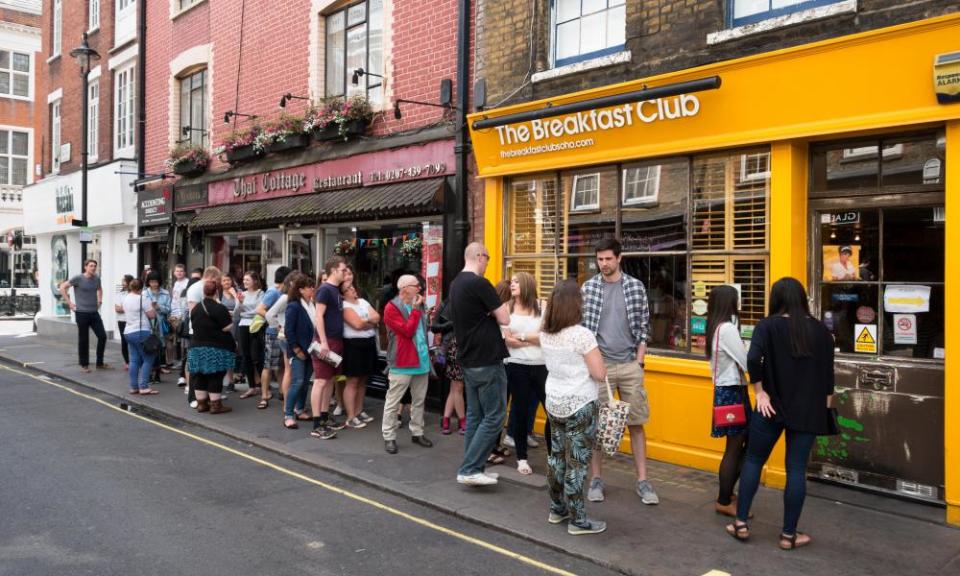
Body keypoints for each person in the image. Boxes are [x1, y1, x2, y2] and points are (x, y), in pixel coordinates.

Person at [726, 277, 835, 550]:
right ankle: (788, 535)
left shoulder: (767, 326)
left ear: (775, 299)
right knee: (796, 470)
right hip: (808, 410)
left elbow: (753, 359)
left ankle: (740, 523)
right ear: (802, 299)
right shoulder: (821, 331)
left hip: (770, 407)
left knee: (753, 460)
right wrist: (827, 408)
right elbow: (828, 377)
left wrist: (760, 392)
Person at [582, 238, 657, 505]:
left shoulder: (635, 287)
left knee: (636, 424)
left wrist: (639, 362)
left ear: (619, 258)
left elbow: (644, 328)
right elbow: (583, 331)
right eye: (599, 259)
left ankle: (643, 481)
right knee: (598, 426)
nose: (603, 264)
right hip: (600, 365)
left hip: (628, 364)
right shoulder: (588, 288)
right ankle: (597, 480)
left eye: (608, 259)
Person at [539, 280, 607, 535]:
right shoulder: (582, 335)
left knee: (556, 457)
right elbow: (599, 373)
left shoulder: (546, 333)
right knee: (577, 463)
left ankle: (557, 509)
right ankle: (578, 520)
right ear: (574, 304)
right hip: (580, 403)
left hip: (554, 401)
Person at [451, 242, 510, 486]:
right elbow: (505, 318)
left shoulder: (456, 284)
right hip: (487, 360)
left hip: (469, 360)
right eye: (488, 258)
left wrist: (488, 313)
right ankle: (470, 468)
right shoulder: (479, 283)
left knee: (475, 415)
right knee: (495, 417)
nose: (488, 263)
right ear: (479, 256)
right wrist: (496, 310)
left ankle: (474, 466)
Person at [705, 285, 752, 518]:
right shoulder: (728, 329)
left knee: (736, 446)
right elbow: (745, 361)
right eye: (736, 299)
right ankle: (724, 499)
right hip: (733, 391)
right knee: (736, 447)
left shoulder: (715, 326)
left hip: (725, 390)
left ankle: (727, 494)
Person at [381, 274, 434, 453]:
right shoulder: (391, 308)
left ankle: (417, 432)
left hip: (422, 359)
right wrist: (417, 310)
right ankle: (389, 436)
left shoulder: (418, 304)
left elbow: (422, 330)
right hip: (402, 362)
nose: (419, 288)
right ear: (404, 289)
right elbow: (407, 330)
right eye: (416, 285)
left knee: (419, 401)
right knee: (393, 401)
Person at [503, 271, 549, 475]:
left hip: (541, 365)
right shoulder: (506, 307)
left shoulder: (543, 306)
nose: (512, 284)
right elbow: (506, 340)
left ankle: (554, 455)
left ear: (527, 284)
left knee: (553, 411)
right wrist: (532, 338)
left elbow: (545, 338)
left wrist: (520, 336)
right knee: (520, 413)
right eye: (511, 281)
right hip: (516, 365)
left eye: (516, 281)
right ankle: (522, 458)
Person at [310, 257, 348, 439]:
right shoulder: (325, 289)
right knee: (320, 381)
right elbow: (319, 317)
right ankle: (317, 424)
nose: (345, 272)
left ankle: (324, 417)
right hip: (326, 342)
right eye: (343, 270)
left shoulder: (335, 290)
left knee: (330, 381)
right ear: (334, 270)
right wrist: (324, 342)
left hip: (336, 340)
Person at [189, 280, 236, 414]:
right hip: (215, 347)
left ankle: (201, 404)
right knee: (215, 375)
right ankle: (216, 406)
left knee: (199, 375)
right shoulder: (218, 307)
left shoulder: (196, 308)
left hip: (196, 346)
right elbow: (227, 327)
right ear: (217, 292)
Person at [59, 259, 111, 372]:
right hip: (82, 313)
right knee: (84, 339)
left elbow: (99, 289)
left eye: (95, 266)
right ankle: (84, 364)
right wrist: (70, 303)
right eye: (91, 266)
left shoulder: (97, 278)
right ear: (85, 267)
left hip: (94, 312)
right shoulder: (78, 278)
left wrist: (100, 301)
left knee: (102, 336)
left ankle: (100, 362)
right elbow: (62, 287)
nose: (93, 268)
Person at [341, 280, 380, 428]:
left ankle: (358, 411)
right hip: (353, 345)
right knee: (352, 381)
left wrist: (365, 322)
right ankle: (351, 416)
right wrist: (368, 322)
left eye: (352, 287)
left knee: (363, 379)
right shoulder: (345, 305)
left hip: (368, 342)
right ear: (343, 294)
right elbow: (356, 325)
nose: (353, 289)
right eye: (348, 288)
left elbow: (377, 317)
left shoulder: (362, 301)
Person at [186, 267, 223, 408]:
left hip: (211, 332)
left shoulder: (213, 289)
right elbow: (193, 313)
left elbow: (217, 305)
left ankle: (207, 396)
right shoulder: (195, 289)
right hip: (197, 333)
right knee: (196, 366)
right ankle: (192, 398)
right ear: (211, 277)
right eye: (217, 279)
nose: (218, 282)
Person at [256, 266, 292, 409]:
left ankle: (283, 393)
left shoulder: (281, 291)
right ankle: (264, 396)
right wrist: (277, 324)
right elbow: (260, 310)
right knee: (269, 365)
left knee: (282, 367)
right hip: (273, 333)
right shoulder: (273, 292)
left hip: (281, 333)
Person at [283, 274, 316, 429]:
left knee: (305, 383)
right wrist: (296, 349)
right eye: (310, 287)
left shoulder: (312, 305)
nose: (313, 289)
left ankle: (300, 409)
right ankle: (288, 415)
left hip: (311, 350)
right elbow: (289, 331)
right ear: (301, 290)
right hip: (298, 351)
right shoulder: (294, 306)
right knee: (298, 381)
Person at [430, 299, 465, 435]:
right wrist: (452, 324)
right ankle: (463, 421)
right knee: (458, 387)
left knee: (454, 387)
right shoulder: (445, 304)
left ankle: (446, 420)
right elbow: (434, 327)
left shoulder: (467, 303)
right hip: (451, 349)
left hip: (461, 348)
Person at [121, 279, 159, 395]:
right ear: (141, 288)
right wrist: (154, 307)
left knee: (134, 360)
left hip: (128, 331)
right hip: (141, 331)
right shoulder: (143, 298)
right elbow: (152, 315)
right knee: (148, 358)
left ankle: (134, 387)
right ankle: (144, 386)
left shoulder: (126, 298)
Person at [234, 271, 265, 399]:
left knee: (256, 356)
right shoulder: (242, 294)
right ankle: (252, 386)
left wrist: (245, 313)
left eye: (248, 280)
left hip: (256, 326)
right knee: (245, 356)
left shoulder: (260, 293)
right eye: (244, 280)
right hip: (243, 325)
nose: (245, 282)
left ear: (255, 281)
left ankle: (262, 385)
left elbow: (259, 311)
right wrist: (240, 303)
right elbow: (237, 312)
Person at [144, 271, 172, 383]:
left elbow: (168, 309)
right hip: (148, 324)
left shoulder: (165, 293)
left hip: (160, 325)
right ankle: (149, 374)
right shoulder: (145, 293)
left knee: (159, 350)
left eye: (155, 282)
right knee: (149, 349)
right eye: (151, 282)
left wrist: (158, 307)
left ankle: (157, 374)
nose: (154, 284)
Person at [220, 275, 240, 391]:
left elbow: (241, 307)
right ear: (221, 282)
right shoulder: (218, 293)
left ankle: (233, 379)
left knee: (234, 352)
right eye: (224, 280)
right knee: (226, 352)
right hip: (224, 326)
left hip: (237, 324)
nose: (227, 282)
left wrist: (235, 296)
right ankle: (229, 380)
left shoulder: (237, 292)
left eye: (228, 279)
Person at [168, 264, 189, 370]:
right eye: (177, 271)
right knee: (176, 338)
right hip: (174, 313)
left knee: (182, 338)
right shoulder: (175, 283)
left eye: (181, 271)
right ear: (174, 272)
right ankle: (177, 360)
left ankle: (182, 360)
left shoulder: (187, 282)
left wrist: (181, 315)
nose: (179, 273)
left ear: (184, 272)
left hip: (182, 314)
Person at [114, 274, 135, 371]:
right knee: (124, 341)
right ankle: (127, 362)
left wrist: (124, 307)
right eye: (123, 281)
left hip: (132, 320)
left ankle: (135, 361)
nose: (123, 283)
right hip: (122, 320)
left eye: (125, 281)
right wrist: (127, 307)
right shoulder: (120, 294)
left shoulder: (134, 294)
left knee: (133, 341)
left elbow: (134, 308)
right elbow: (117, 309)